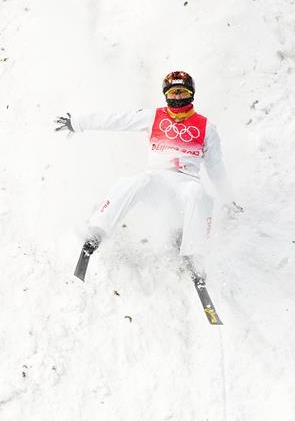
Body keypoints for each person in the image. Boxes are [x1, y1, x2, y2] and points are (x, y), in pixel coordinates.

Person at [55, 70, 242, 283]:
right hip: (157, 181)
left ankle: (194, 256)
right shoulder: (154, 116)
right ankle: (97, 231)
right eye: (173, 93)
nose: (177, 97)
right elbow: (117, 120)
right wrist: (78, 122)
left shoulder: (206, 127)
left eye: (182, 92)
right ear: (166, 95)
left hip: (186, 183)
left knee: (197, 193)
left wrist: (229, 199)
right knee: (135, 182)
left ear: (191, 94)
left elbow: (216, 168)